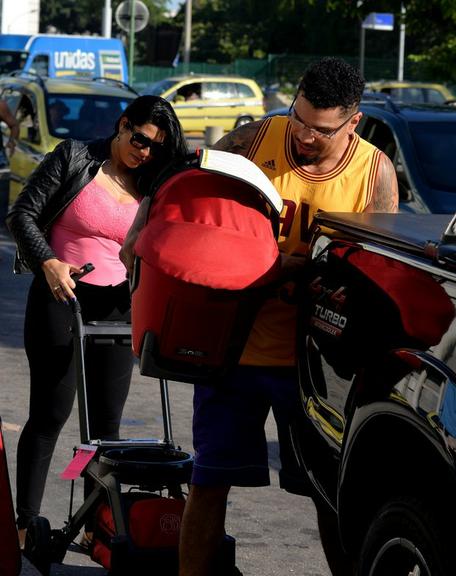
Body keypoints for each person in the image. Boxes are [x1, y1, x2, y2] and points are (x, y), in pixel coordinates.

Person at [175, 57, 399, 576]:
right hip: (238, 350)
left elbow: (378, 274)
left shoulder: (373, 172)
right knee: (208, 482)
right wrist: (142, 236)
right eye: (298, 117)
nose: (303, 134)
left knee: (330, 497)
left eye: (320, 129)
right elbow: (182, 185)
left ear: (353, 122)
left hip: (316, 366)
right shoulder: (254, 140)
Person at [6, 94, 188, 549]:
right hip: (60, 297)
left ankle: (95, 524)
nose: (144, 152)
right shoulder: (75, 157)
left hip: (117, 309)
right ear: (123, 125)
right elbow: (21, 213)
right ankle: (26, 522)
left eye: (155, 149)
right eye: (140, 139)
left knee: (106, 426)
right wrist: (47, 261)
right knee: (51, 412)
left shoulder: (152, 182)